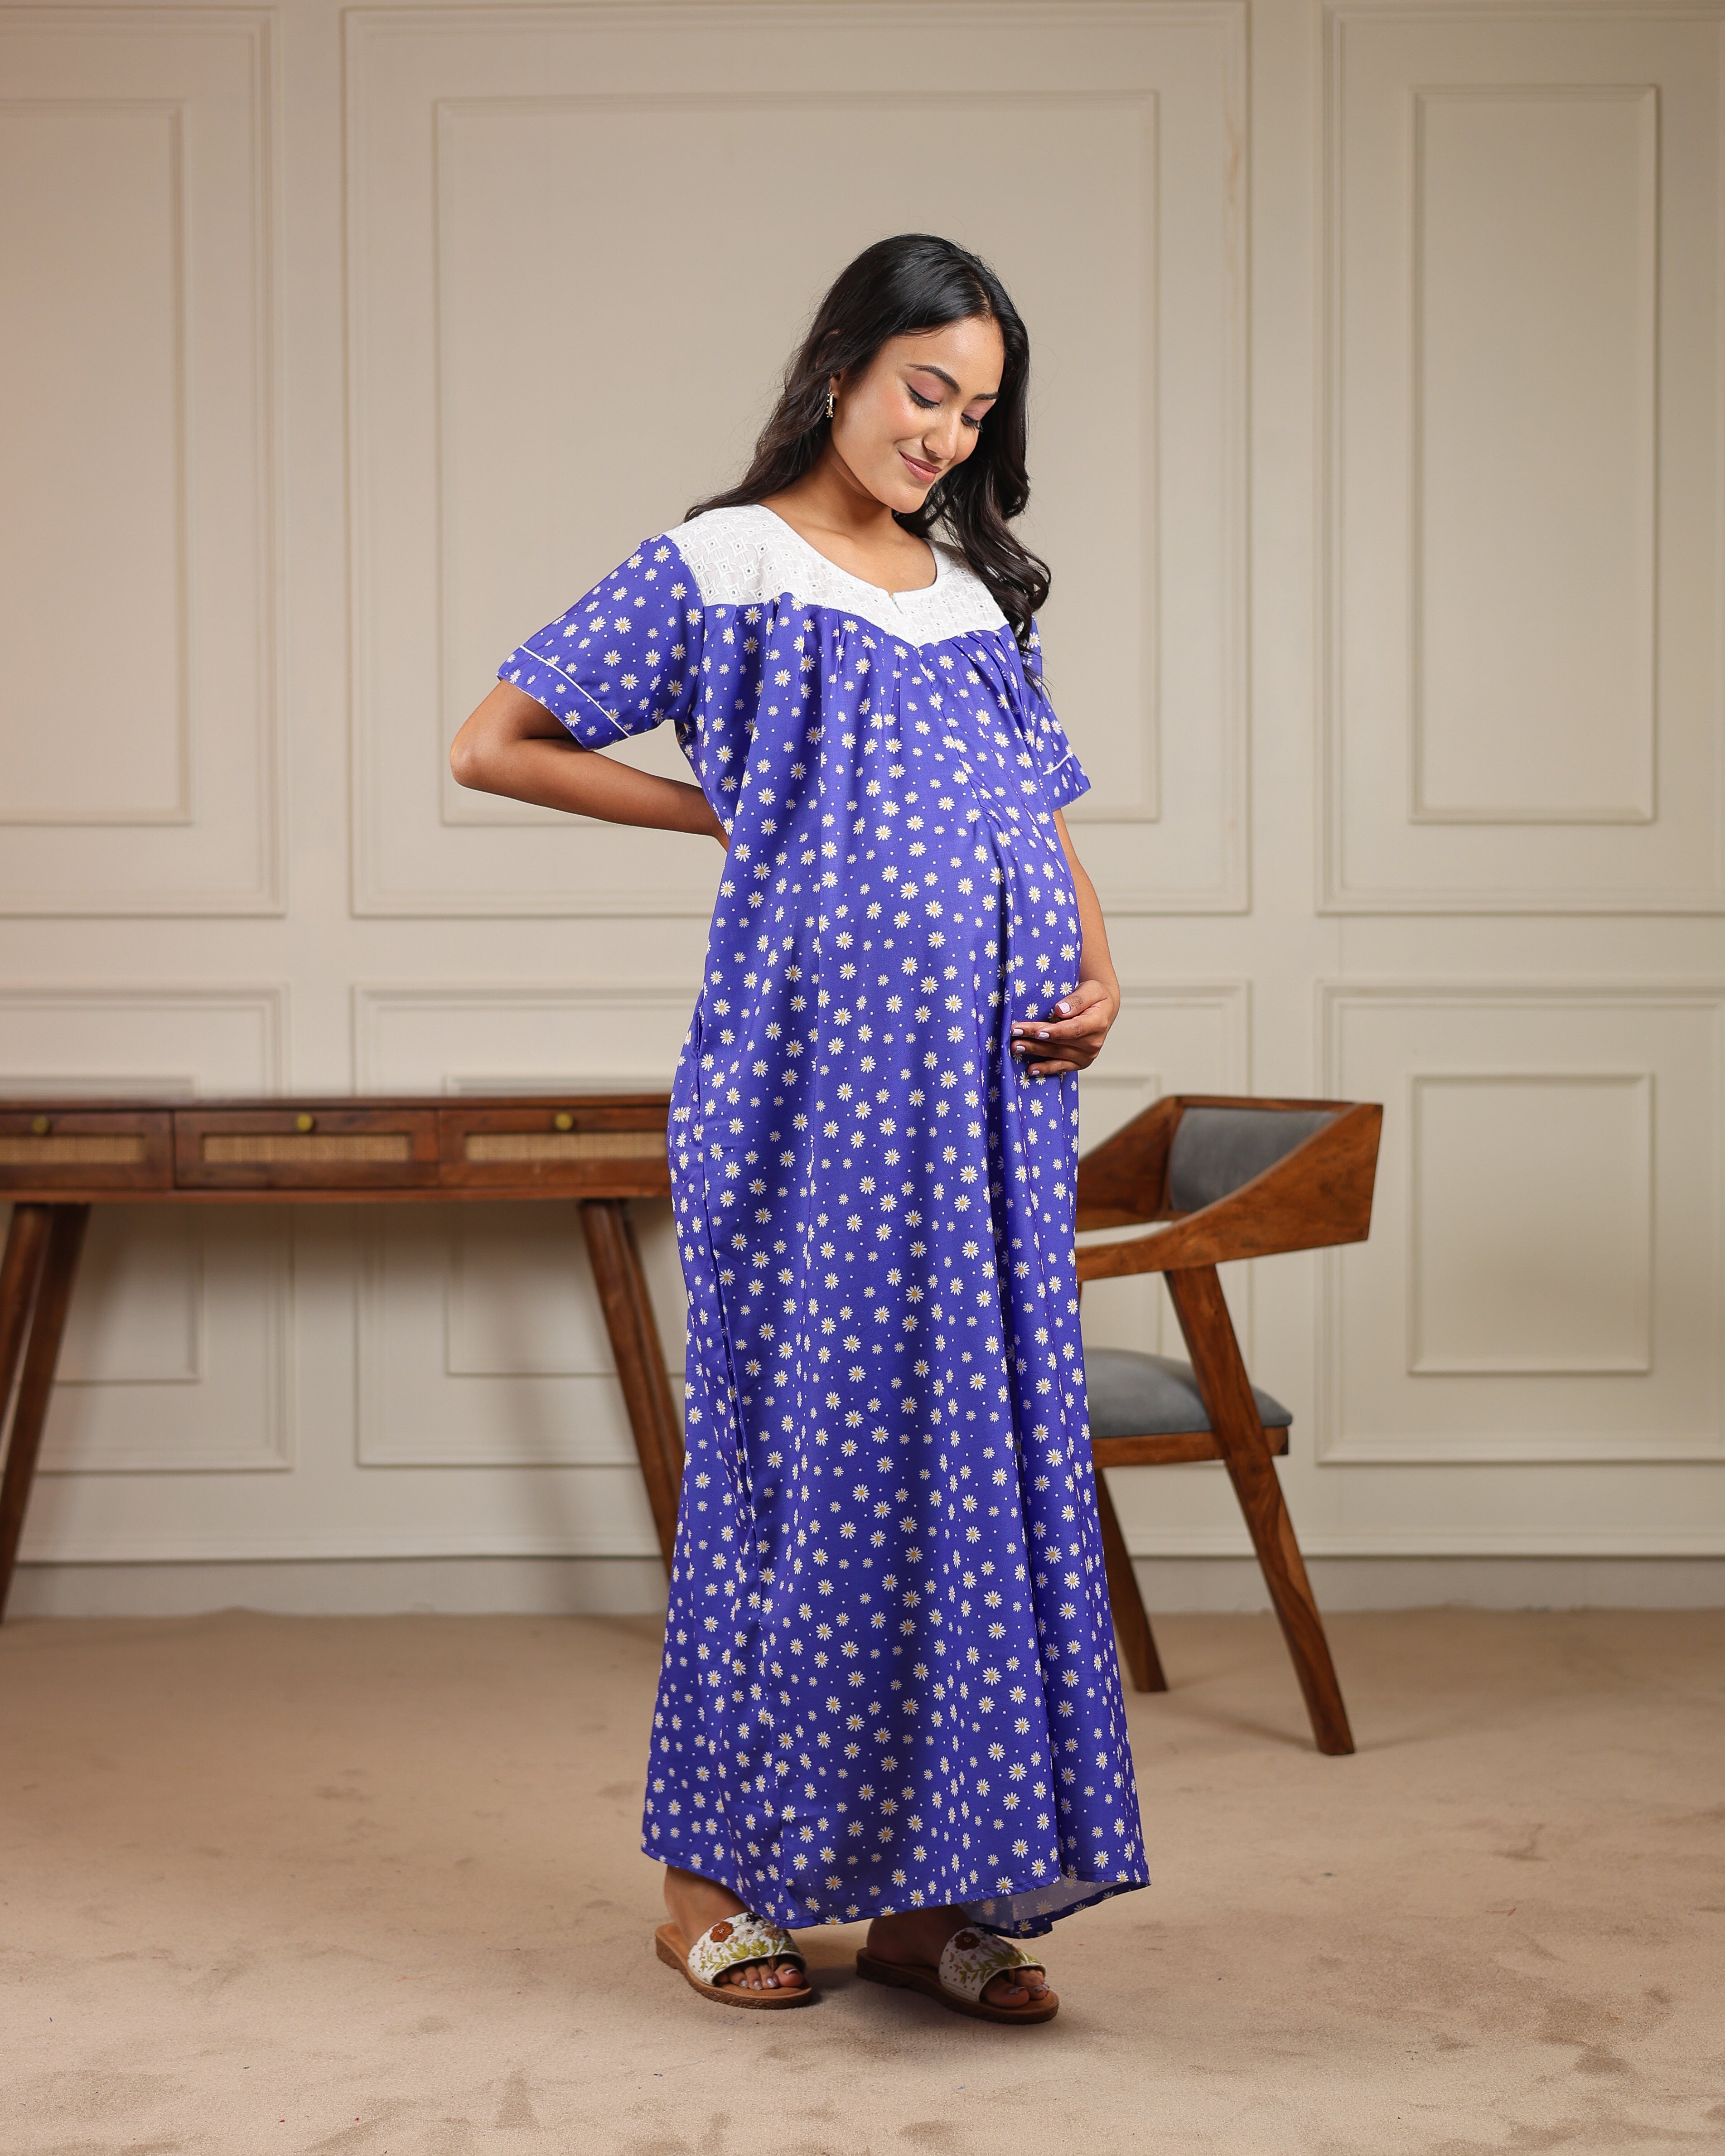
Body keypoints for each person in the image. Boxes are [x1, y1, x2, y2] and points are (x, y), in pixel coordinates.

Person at [451, 232, 1147, 2025]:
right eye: (926, 390)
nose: (945, 434)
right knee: (807, 1448)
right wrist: (730, 817)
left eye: (975, 411)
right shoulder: (725, 564)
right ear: (843, 364)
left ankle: (931, 1898)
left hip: (998, 1098)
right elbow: (494, 742)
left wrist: (1095, 963)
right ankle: (710, 1883)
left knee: (974, 1460)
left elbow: (1036, 810)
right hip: (816, 1083)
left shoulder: (970, 593)